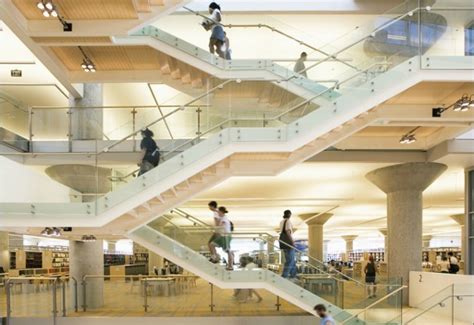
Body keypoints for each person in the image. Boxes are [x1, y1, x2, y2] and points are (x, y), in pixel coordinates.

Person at [279, 209, 297, 279]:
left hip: (283, 243)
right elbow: (287, 232)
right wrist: (292, 243)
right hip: (288, 243)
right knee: (290, 260)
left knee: (291, 259)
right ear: (290, 215)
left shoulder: (281, 221)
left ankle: (293, 274)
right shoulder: (288, 221)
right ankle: (285, 275)